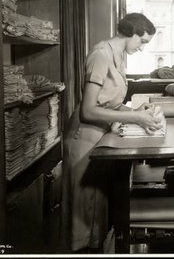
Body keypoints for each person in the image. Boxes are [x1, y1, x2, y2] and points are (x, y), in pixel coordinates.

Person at [61, 13, 163, 253]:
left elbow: (109, 102)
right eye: (143, 41)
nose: (142, 47)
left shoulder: (118, 56)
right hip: (83, 136)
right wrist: (135, 117)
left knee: (96, 204)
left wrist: (135, 109)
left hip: (100, 135)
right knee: (83, 207)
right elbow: (88, 110)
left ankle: (97, 250)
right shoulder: (101, 55)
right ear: (132, 33)